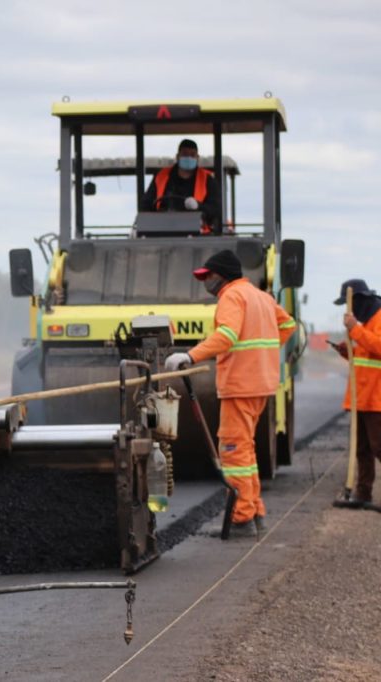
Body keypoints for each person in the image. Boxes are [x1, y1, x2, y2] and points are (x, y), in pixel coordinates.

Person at [164, 250, 296, 538]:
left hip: (240, 385)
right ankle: (254, 511)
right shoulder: (261, 296)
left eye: (208, 276)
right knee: (245, 450)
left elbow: (227, 336)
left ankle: (241, 518)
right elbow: (288, 325)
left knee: (234, 451)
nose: (205, 282)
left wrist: (190, 355)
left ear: (221, 275)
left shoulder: (231, 296)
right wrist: (263, 352)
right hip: (260, 384)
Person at [331, 279, 381, 512]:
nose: (349, 310)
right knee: (362, 449)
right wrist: (347, 351)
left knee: (379, 446)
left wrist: (355, 330)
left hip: (377, 399)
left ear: (360, 300)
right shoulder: (366, 323)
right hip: (362, 397)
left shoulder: (379, 318)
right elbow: (366, 357)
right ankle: (363, 493)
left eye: (349, 304)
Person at [140, 139, 223, 234]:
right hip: (163, 231)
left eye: (192, 155)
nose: (188, 158)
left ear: (197, 157)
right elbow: (145, 205)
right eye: (185, 154)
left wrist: (198, 206)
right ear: (177, 156)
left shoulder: (207, 179)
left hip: (198, 234)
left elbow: (215, 209)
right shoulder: (161, 176)